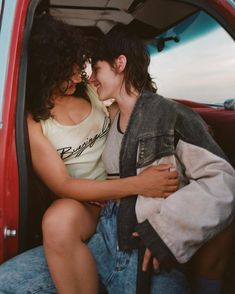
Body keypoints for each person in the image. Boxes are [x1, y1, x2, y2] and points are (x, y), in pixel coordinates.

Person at [0, 21, 234, 294]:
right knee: (44, 236)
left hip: (133, 220)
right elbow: (64, 184)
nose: (82, 78)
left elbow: (222, 181)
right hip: (95, 217)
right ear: (47, 74)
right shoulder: (41, 121)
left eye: (89, 69)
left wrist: (165, 234)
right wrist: (133, 185)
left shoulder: (139, 107)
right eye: (70, 72)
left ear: (119, 64)